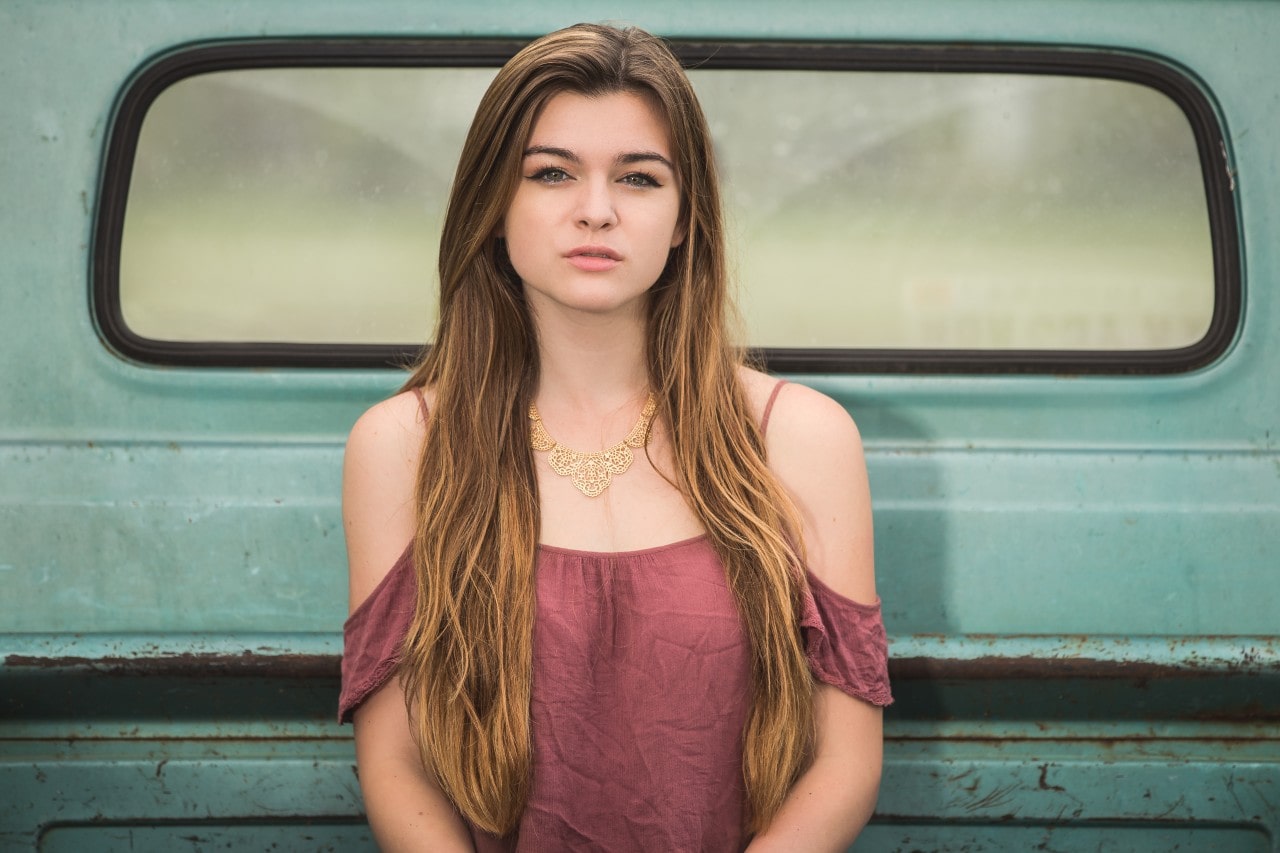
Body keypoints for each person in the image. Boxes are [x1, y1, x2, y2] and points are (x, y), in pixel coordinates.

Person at [339, 22, 891, 852]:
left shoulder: (801, 438)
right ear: (494, 206)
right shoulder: (402, 445)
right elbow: (396, 766)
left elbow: (844, 765)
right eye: (552, 173)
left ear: (681, 220)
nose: (595, 210)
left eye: (638, 178)